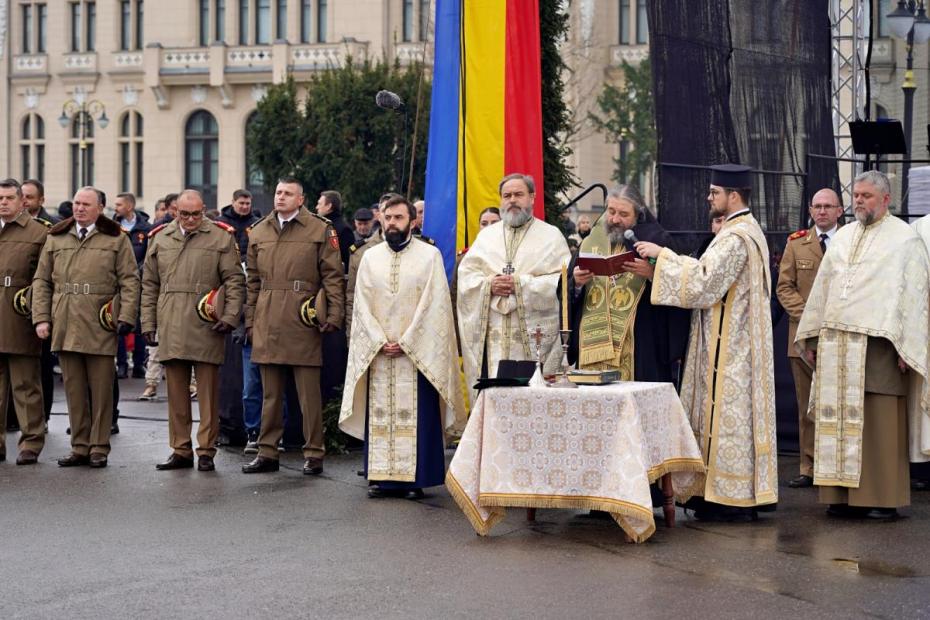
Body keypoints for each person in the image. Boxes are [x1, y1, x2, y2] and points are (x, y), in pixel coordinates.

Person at [634, 164, 778, 521]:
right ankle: (711, 493)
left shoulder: (736, 237)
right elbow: (705, 271)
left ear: (734, 196)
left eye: (714, 193)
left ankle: (728, 498)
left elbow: (702, 283)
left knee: (728, 421)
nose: (708, 198)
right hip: (724, 339)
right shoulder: (740, 231)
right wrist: (662, 266)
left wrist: (661, 257)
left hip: (731, 350)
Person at [798, 170, 930, 520]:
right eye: (855, 195)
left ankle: (882, 498)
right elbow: (823, 290)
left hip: (880, 347)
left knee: (878, 421)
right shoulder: (842, 239)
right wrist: (811, 335)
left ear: (886, 199)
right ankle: (839, 496)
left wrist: (909, 346)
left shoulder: (904, 239)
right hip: (836, 346)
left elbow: (916, 296)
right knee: (835, 419)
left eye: (866, 196)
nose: (858, 201)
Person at [340, 195, 466, 498]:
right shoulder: (370, 257)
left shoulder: (429, 255)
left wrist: (408, 341)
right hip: (379, 350)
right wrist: (379, 340)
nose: (392, 222)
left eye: (399, 217)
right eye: (388, 217)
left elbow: (434, 304)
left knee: (418, 415)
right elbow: (361, 306)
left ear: (412, 221)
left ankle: (416, 480)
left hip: (416, 351)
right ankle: (382, 479)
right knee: (381, 413)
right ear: (381, 219)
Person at [241, 177, 345, 475]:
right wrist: (249, 320)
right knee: (270, 394)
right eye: (277, 192)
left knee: (308, 394)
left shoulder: (319, 229)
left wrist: (334, 315)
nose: (280, 197)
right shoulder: (259, 230)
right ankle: (267, 452)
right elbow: (252, 282)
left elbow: (333, 277)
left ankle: (313, 453)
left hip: (303, 317)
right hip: (268, 317)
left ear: (301, 199)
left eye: (287, 193)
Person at [32, 186, 140, 468]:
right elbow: (42, 281)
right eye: (77, 203)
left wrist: (125, 317)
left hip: (99, 323)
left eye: (86, 204)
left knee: (102, 390)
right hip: (66, 322)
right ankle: (79, 446)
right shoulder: (57, 237)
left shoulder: (116, 238)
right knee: (74, 390)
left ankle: (99, 447)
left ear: (99, 208)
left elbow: (130, 280)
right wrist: (41, 318)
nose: (79, 208)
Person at [142, 190, 246, 472]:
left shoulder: (221, 237)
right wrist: (148, 323)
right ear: (174, 211)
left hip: (206, 321)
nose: (190, 219)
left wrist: (230, 316)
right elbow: (149, 284)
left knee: (208, 394)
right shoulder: (160, 238)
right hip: (172, 320)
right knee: (176, 393)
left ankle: (206, 450)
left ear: (204, 211)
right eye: (184, 214)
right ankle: (180, 449)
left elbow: (234, 281)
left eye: (196, 214)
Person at [457, 174, 570, 402]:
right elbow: (466, 279)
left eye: (519, 194)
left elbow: (562, 283)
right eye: (507, 195)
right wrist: (489, 285)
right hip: (493, 341)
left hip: (532, 341)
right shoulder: (486, 237)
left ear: (532, 198)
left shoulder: (551, 236)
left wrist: (520, 284)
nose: (512, 200)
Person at [569, 185, 687, 383]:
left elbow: (679, 287)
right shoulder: (590, 241)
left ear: (638, 215)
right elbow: (565, 288)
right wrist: (577, 283)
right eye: (611, 211)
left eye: (623, 214)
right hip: (591, 344)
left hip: (640, 342)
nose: (615, 220)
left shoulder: (655, 240)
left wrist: (652, 275)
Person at [775, 188, 843, 489]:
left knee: (840, 403)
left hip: (842, 333)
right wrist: (811, 318)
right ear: (810, 210)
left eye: (829, 206)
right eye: (817, 206)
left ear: (840, 211)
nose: (823, 211)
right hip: (803, 337)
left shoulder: (850, 241)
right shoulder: (796, 243)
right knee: (806, 407)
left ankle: (838, 465)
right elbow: (784, 287)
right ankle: (809, 466)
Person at [0, 179, 48, 464]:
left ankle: (31, 442)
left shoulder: (38, 233)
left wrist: (40, 317)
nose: (3, 203)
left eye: (8, 198)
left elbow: (42, 281)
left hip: (19, 317)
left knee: (26, 387)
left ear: (22, 201)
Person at [345, 194, 395, 337]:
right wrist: (351, 335)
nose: (390, 217)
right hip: (370, 333)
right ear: (378, 215)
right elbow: (352, 296)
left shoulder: (422, 251)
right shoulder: (360, 253)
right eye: (386, 211)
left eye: (396, 214)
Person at [113, 192, 151, 379]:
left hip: (140, 282)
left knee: (139, 325)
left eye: (119, 205)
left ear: (129, 206)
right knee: (120, 323)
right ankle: (121, 363)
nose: (116, 208)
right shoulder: (112, 228)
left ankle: (138, 364)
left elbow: (149, 256)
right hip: (118, 285)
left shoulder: (145, 229)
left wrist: (137, 272)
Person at [316, 190, 355, 271]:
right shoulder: (320, 225)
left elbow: (346, 259)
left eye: (319, 204)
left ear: (329, 206)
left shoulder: (343, 230)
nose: (317, 207)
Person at [217, 189, 261, 259]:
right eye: (241, 203)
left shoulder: (257, 223)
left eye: (247, 203)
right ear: (233, 202)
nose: (245, 207)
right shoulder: (220, 222)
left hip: (249, 265)